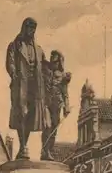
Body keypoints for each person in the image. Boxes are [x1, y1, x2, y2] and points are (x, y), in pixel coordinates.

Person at [6, 18, 51, 160]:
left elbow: (45, 67)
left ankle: (24, 146)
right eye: (29, 28)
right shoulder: (15, 45)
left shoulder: (38, 49)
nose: (31, 31)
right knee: (21, 115)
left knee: (32, 116)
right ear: (24, 28)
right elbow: (10, 63)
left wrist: (57, 70)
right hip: (21, 86)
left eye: (34, 29)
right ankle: (22, 146)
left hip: (35, 88)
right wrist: (14, 75)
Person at [41, 50, 71, 160]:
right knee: (47, 127)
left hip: (57, 105)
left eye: (56, 62)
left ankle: (48, 151)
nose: (54, 64)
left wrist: (66, 107)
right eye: (53, 61)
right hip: (46, 105)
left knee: (54, 129)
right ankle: (45, 150)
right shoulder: (46, 72)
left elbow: (65, 93)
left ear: (60, 62)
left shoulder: (63, 76)